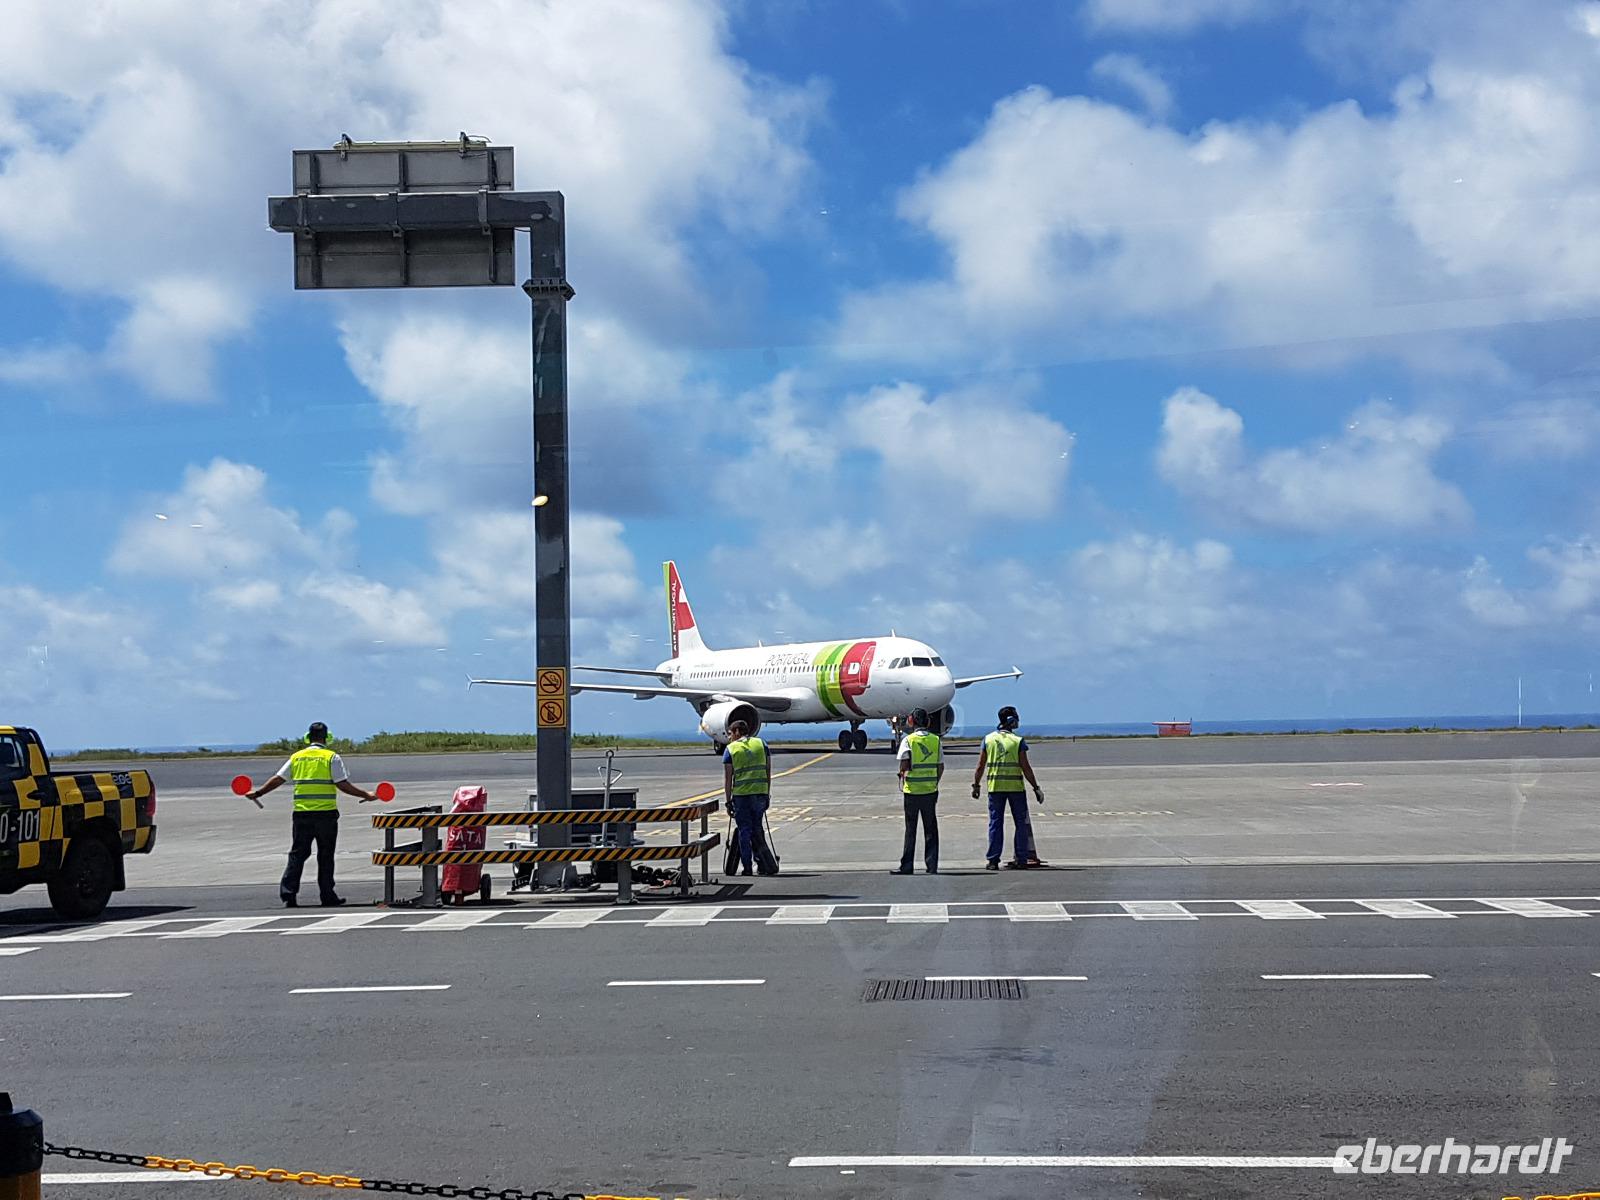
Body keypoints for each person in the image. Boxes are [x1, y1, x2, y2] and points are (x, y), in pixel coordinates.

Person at [245, 722, 378, 907]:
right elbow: (342, 784)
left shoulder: (297, 757)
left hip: (302, 814)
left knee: (297, 855)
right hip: (326, 814)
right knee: (325, 855)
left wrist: (258, 793)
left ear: (308, 737)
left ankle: (288, 894)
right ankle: (327, 895)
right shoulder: (331, 757)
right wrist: (366, 795)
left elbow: (278, 779)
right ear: (327, 737)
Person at [971, 705, 1045, 870]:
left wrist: (976, 785)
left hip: (995, 788)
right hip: (1015, 788)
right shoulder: (1018, 741)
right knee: (1020, 823)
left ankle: (993, 860)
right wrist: (1036, 787)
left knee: (995, 823)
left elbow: (980, 766)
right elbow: (1026, 768)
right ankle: (1022, 858)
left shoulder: (988, 739)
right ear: (1011, 721)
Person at [891, 707, 942, 875]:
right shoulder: (935, 740)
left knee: (910, 830)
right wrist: (933, 781)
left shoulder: (909, 740)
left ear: (911, 721)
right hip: (929, 790)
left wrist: (902, 774)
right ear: (927, 721)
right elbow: (940, 766)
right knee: (931, 829)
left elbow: (904, 764)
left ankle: (907, 866)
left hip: (912, 791)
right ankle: (932, 865)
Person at [722, 718, 774, 876]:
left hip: (742, 795)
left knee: (744, 831)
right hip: (760, 793)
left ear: (737, 732)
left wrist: (728, 800)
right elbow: (768, 771)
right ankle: (762, 863)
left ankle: (747, 867)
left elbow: (728, 778)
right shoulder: (761, 744)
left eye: (731, 734)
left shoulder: (731, 749)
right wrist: (766, 794)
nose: (730, 737)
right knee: (758, 829)